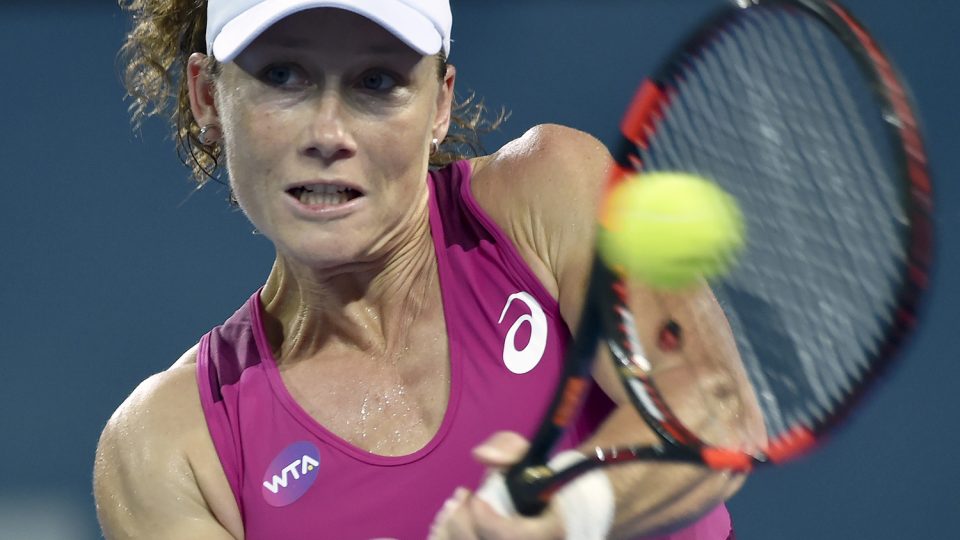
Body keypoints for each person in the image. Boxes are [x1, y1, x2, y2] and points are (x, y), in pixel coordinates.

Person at [94, 1, 762, 538]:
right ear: (209, 97)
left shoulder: (550, 194)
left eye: (376, 82)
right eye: (283, 77)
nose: (328, 133)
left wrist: (568, 513)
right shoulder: (168, 447)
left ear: (439, 104)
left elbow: (712, 408)